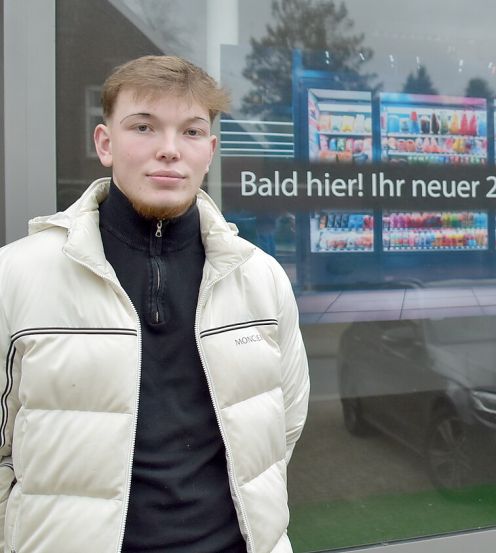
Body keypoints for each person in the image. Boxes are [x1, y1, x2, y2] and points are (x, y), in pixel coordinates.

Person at [0, 55, 310, 552]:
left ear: (209, 150)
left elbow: (283, 426)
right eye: (143, 127)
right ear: (105, 143)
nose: (169, 150)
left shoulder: (260, 278)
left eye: (190, 132)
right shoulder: (17, 276)